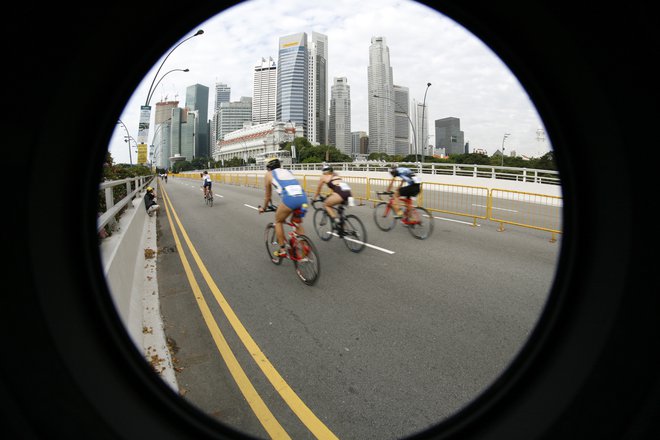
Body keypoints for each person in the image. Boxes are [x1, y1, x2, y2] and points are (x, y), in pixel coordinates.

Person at [258, 157, 308, 257]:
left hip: (290, 199)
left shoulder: (268, 174)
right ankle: (304, 247)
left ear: (268, 167)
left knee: (278, 221)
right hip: (303, 199)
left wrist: (264, 208)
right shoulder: (287, 171)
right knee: (296, 222)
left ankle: (282, 250)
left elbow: (268, 196)